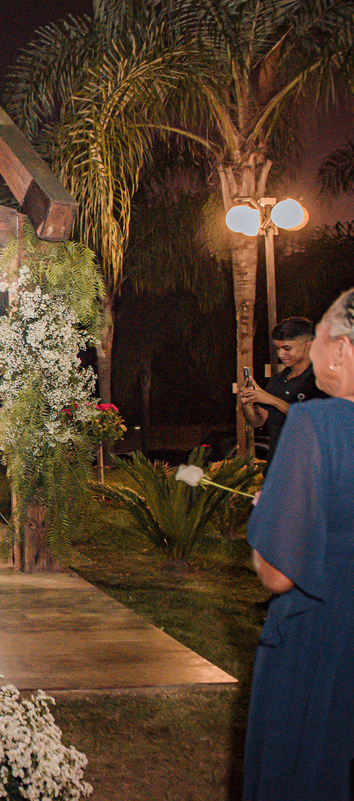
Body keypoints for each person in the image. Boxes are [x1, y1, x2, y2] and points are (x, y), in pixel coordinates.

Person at [243, 289, 354, 800]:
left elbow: (278, 572)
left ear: (343, 349)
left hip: (325, 638)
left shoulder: (318, 423)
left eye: (321, 340)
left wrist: (270, 511)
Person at [239, 316, 327, 466]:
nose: (280, 355)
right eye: (278, 348)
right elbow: (257, 421)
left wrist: (271, 400)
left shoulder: (323, 379)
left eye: (287, 348)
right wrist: (247, 401)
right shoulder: (278, 380)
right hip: (277, 467)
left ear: (308, 344)